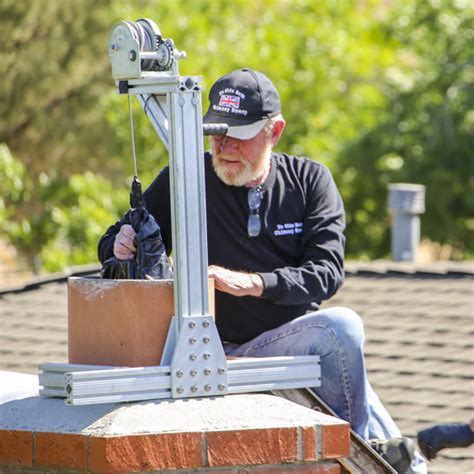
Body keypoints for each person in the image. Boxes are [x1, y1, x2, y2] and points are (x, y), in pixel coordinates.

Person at [98, 68, 426, 473]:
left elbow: (326, 273)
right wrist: (120, 242)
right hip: (213, 349)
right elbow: (114, 242)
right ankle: (355, 457)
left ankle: (357, 455)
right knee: (377, 419)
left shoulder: (310, 180)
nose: (224, 145)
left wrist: (255, 284)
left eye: (239, 134)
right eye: (216, 133)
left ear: (275, 132)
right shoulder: (186, 177)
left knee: (344, 334)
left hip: (292, 344)